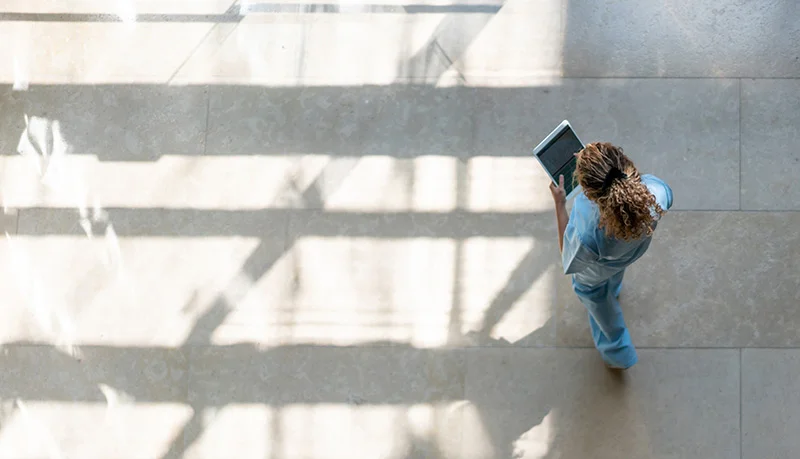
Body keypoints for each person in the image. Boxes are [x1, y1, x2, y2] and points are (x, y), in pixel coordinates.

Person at [549, 142, 673, 369]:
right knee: (614, 275)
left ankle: (619, 354)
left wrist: (560, 204)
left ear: (589, 193)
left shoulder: (588, 226)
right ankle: (614, 290)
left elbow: (570, 258)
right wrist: (595, 163)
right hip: (629, 254)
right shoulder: (657, 192)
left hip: (594, 273)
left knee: (599, 304)